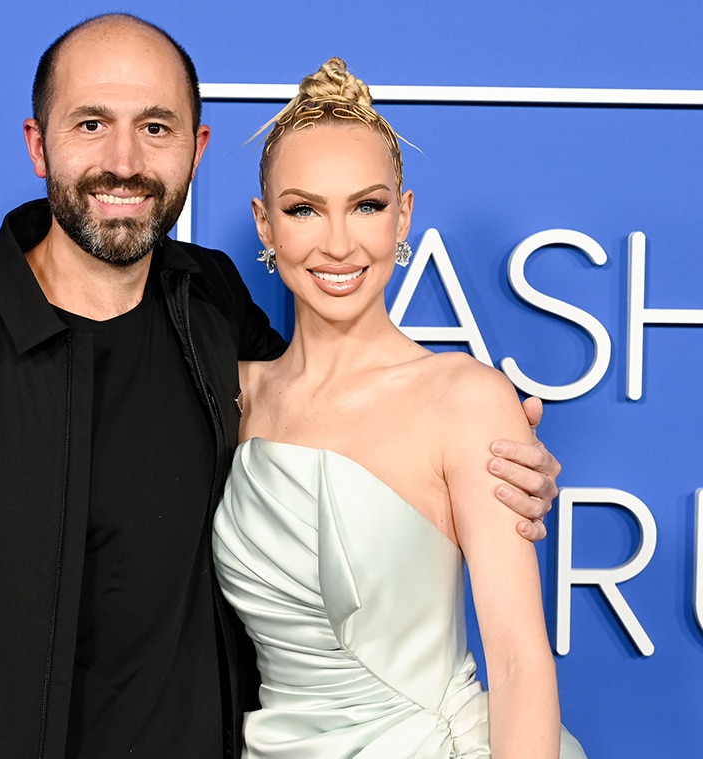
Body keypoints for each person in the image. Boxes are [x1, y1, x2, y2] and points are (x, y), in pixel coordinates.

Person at [0, 15, 563, 759]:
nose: (124, 159)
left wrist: (502, 463)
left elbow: (348, 419)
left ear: (195, 147)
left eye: (155, 127)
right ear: (38, 145)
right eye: (91, 124)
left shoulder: (213, 312)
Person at [212, 58, 587, 758]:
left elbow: (518, 664)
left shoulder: (465, 398)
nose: (339, 242)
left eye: (367, 205)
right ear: (265, 225)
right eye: (303, 209)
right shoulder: (232, 395)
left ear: (403, 214)